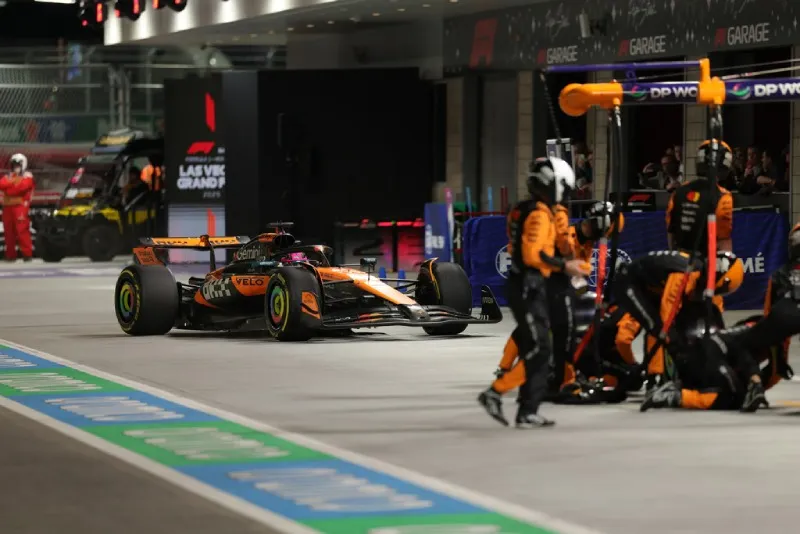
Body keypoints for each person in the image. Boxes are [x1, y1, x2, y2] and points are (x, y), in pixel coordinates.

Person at [478, 156, 590, 428]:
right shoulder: (541, 214)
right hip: (529, 284)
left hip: (524, 283)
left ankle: (528, 411)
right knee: (541, 348)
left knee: (537, 349)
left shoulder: (522, 208)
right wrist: (567, 265)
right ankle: (496, 392)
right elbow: (532, 254)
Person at [648, 140, 734, 383]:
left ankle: (657, 373)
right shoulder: (724, 198)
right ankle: (714, 366)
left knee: (665, 317)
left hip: (679, 264)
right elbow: (724, 241)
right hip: (706, 267)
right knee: (714, 314)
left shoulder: (680, 192)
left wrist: (676, 259)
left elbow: (671, 234)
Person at [613, 249, 745, 389]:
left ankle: (660, 372)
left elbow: (715, 316)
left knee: (664, 330)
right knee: (658, 329)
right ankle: (655, 376)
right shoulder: (684, 274)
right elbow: (667, 315)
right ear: (720, 280)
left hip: (654, 288)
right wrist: (676, 346)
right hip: (630, 284)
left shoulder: (702, 274)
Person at [0, 153, 35, 262]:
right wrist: (13, 183)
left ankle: (27, 254)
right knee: (8, 232)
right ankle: (10, 255)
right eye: (14, 165)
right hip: (8, 207)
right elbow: (2, 185)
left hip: (20, 206)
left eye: (18, 165)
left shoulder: (28, 176)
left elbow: (21, 188)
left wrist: (10, 185)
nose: (16, 167)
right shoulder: (8, 176)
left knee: (22, 231)